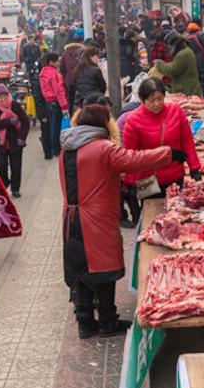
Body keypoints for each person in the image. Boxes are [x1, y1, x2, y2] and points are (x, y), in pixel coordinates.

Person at [61, 104, 185, 338]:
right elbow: (133, 159)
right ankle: (108, 321)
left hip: (71, 217)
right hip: (97, 218)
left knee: (80, 268)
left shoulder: (68, 147)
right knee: (103, 269)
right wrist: (169, 153)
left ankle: (85, 323)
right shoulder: (103, 148)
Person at [122, 78, 202, 198]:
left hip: (175, 177)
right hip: (149, 181)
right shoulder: (134, 121)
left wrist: (194, 167)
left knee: (176, 212)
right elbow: (131, 155)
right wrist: (130, 182)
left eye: (160, 98)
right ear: (142, 100)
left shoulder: (175, 111)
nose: (156, 104)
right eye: (151, 100)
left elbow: (187, 141)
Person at [0, 83, 30, 197]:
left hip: (15, 142)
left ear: (8, 95)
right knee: (1, 164)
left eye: (4, 96)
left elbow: (26, 122)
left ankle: (15, 188)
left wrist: (22, 138)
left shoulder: (15, 105)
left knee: (16, 166)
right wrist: (8, 122)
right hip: (0, 143)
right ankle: (5, 183)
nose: (2, 99)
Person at [39, 52, 69, 159]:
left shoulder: (43, 72)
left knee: (52, 126)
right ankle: (57, 149)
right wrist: (64, 105)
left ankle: (53, 148)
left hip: (48, 102)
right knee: (56, 127)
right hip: (56, 102)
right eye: (57, 61)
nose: (59, 63)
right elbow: (59, 91)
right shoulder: (54, 74)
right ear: (51, 62)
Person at [154, 32, 202, 96]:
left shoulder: (182, 54)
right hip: (188, 89)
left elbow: (172, 70)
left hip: (187, 91)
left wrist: (160, 64)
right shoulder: (186, 51)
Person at [185, 23, 204, 99]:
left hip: (191, 60)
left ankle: (197, 97)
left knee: (196, 79)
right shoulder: (201, 35)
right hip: (202, 59)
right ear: (198, 28)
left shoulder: (187, 38)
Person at [59, 41, 85, 115]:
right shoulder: (82, 52)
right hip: (81, 79)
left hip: (69, 81)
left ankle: (71, 115)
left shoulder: (65, 53)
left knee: (70, 99)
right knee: (81, 99)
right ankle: (81, 114)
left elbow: (62, 67)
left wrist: (65, 77)